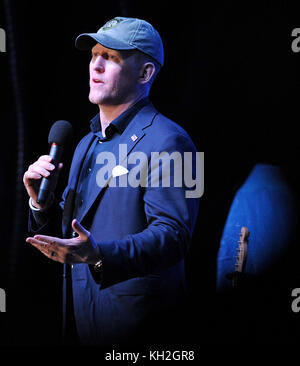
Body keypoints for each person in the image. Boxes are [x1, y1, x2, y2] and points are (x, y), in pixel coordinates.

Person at [23, 17, 200, 347]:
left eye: (112, 57)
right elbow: (78, 228)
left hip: (141, 329)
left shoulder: (173, 141)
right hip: (80, 322)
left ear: (145, 73)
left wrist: (99, 255)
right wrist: (41, 205)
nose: (96, 65)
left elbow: (175, 236)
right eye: (94, 54)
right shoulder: (85, 144)